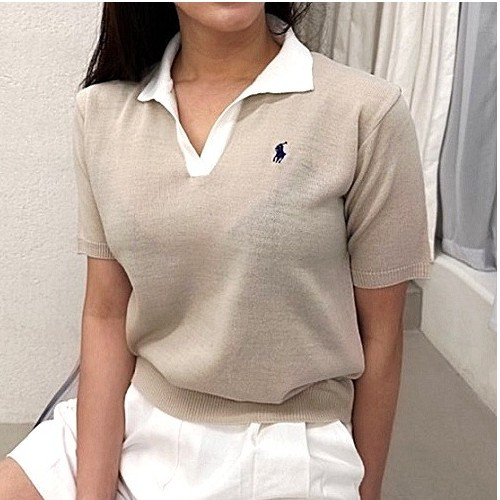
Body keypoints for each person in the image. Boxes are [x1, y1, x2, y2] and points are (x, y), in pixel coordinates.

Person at [0, 2, 432, 499]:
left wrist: (366, 492)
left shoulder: (366, 114)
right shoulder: (101, 113)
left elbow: (382, 337)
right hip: (137, 412)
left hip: (284, 445)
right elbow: (106, 314)